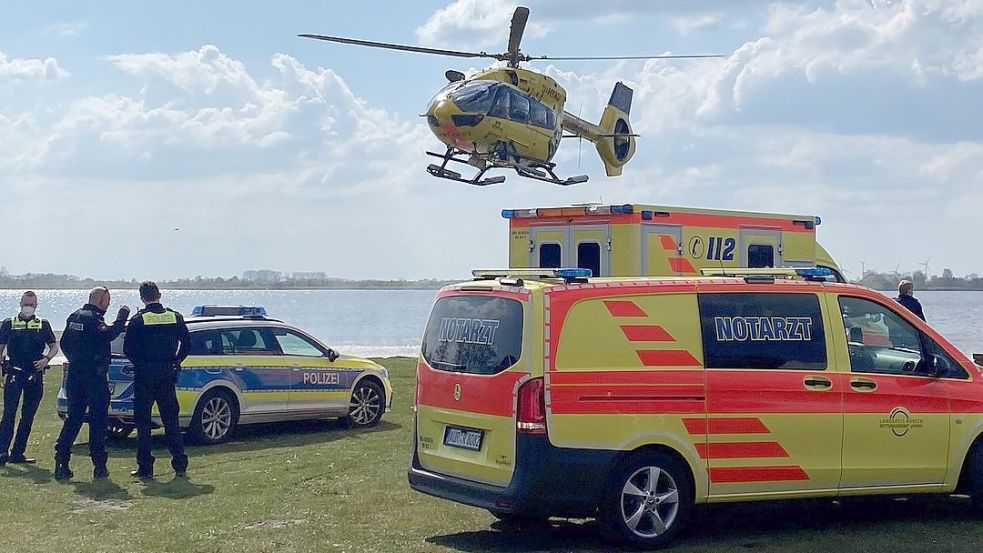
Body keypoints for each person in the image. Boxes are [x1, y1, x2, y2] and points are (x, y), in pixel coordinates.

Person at [54, 287, 129, 480]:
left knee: (73, 419)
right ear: (101, 300)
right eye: (108, 300)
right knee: (98, 421)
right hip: (94, 377)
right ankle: (100, 466)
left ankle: (61, 462)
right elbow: (110, 334)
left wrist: (75, 360)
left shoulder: (74, 317)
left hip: (75, 376)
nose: (109, 304)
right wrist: (122, 317)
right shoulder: (95, 319)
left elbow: (64, 344)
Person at [123, 281, 190, 479]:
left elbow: (128, 349)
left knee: (143, 422)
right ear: (159, 295)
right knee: (171, 420)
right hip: (167, 373)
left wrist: (140, 363)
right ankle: (179, 463)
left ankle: (145, 466)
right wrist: (177, 360)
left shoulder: (138, 320)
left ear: (142, 298)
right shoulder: (174, 317)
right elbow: (187, 343)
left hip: (145, 375)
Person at [0, 291, 59, 465]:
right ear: (20, 303)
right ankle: (2, 451)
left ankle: (18, 452)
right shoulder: (9, 323)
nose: (28, 307)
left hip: (34, 374)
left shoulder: (43, 324)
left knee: (28, 415)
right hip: (14, 372)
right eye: (26, 303)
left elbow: (54, 346)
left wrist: (46, 359)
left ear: (36, 306)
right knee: (9, 413)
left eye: (32, 305)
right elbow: (1, 347)